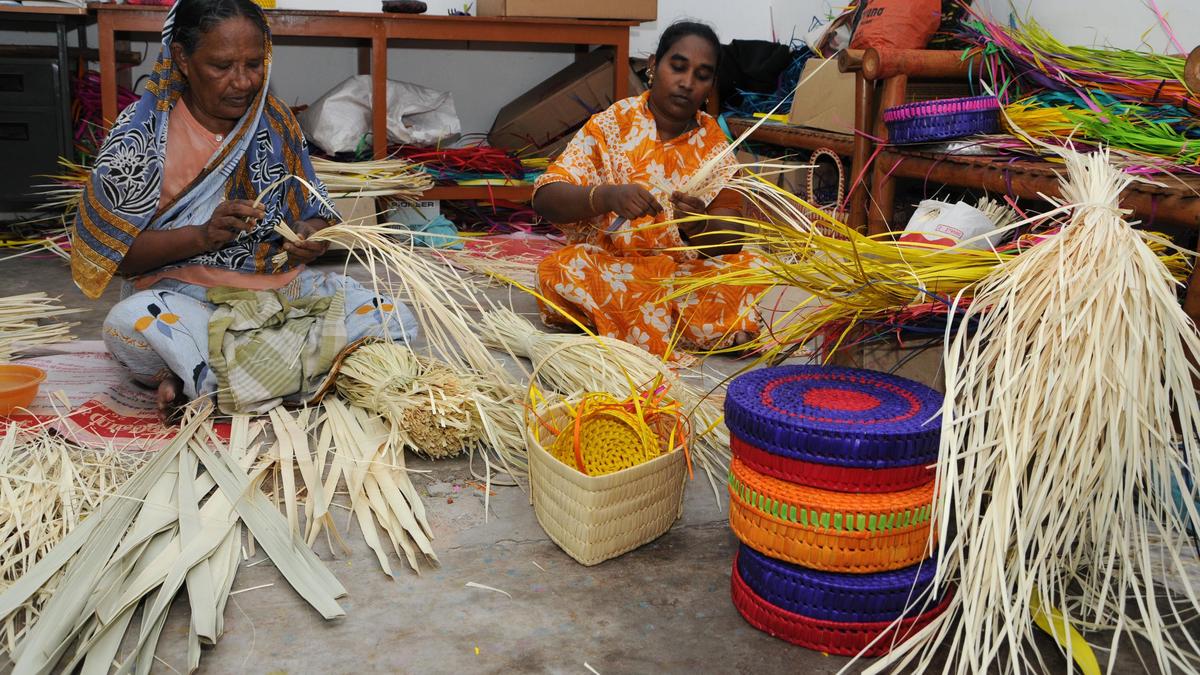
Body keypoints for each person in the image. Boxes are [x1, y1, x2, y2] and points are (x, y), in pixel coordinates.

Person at [73, 0, 416, 419]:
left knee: (390, 317)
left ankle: (206, 378)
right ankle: (290, 371)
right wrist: (202, 236)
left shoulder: (274, 120)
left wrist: (308, 234)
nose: (243, 81)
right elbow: (116, 256)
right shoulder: (141, 137)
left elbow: (317, 207)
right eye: (221, 66)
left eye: (254, 64)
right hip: (190, 301)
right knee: (133, 323)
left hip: (282, 299)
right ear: (182, 58)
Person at [532, 21, 762, 359]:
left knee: (751, 267)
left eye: (701, 75)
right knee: (559, 270)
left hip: (680, 277)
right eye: (678, 67)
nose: (686, 83)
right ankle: (683, 327)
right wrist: (606, 196)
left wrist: (699, 226)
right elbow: (546, 197)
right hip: (612, 267)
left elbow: (732, 239)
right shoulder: (613, 125)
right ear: (654, 65)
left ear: (711, 84)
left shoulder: (714, 146)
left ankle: (627, 323)